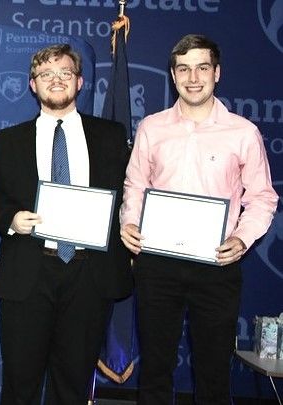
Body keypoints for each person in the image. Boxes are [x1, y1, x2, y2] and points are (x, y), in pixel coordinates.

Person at [120, 34, 278, 405]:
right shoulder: (152, 127)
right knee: (156, 368)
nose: (193, 77)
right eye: (184, 69)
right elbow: (135, 184)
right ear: (173, 76)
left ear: (217, 73)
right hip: (157, 262)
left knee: (213, 371)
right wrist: (129, 222)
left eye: (202, 68)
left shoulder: (243, 132)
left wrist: (242, 238)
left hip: (217, 264)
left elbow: (262, 197)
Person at [0, 44, 132, 404]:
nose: (56, 80)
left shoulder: (112, 136)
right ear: (32, 84)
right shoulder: (8, 140)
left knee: (72, 383)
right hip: (29, 274)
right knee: (20, 383)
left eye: (65, 73)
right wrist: (10, 219)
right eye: (46, 74)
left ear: (80, 82)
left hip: (89, 275)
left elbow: (132, 193)